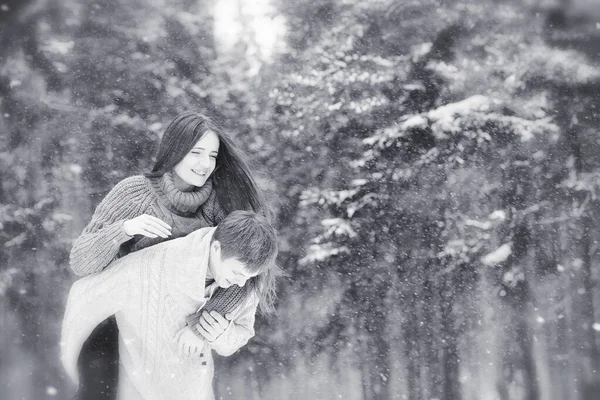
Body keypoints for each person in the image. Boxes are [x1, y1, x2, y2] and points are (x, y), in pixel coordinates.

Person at [68, 111, 274, 399]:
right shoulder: (133, 193)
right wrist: (123, 230)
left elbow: (244, 276)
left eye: (212, 156)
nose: (205, 164)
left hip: (170, 334)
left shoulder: (219, 208)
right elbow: (80, 262)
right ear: (174, 149)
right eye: (196, 152)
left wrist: (205, 324)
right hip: (115, 323)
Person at [61, 210, 279, 400]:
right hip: (136, 386)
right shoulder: (154, 264)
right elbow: (86, 292)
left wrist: (221, 334)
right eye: (237, 273)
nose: (241, 282)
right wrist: (74, 364)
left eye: (249, 277)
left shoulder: (243, 284)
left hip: (194, 388)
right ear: (216, 248)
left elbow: (239, 336)